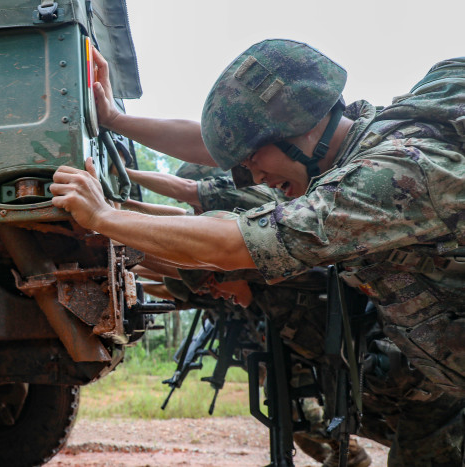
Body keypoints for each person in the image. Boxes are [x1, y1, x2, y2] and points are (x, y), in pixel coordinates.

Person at [50, 39, 465, 464]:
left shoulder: (388, 178)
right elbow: (218, 153)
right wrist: (115, 120)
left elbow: (233, 244)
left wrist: (104, 216)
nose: (251, 178)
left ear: (301, 126)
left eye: (252, 158)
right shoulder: (354, 150)